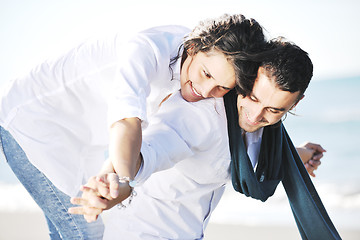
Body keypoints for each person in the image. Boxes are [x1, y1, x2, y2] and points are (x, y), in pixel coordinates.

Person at [0, 13, 282, 239]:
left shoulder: (206, 72)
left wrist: (290, 153)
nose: (206, 90)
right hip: (32, 123)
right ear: (193, 48)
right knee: (86, 230)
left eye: (221, 87)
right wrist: (124, 184)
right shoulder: (146, 50)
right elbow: (127, 121)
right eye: (205, 74)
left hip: (87, 141)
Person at [68, 39, 336, 239]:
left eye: (274, 110)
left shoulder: (264, 129)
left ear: (296, 103)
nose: (256, 116)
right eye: (252, 98)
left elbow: (260, 154)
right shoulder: (200, 117)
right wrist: (116, 184)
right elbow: (148, 151)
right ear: (246, 78)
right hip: (141, 232)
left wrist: (301, 154)